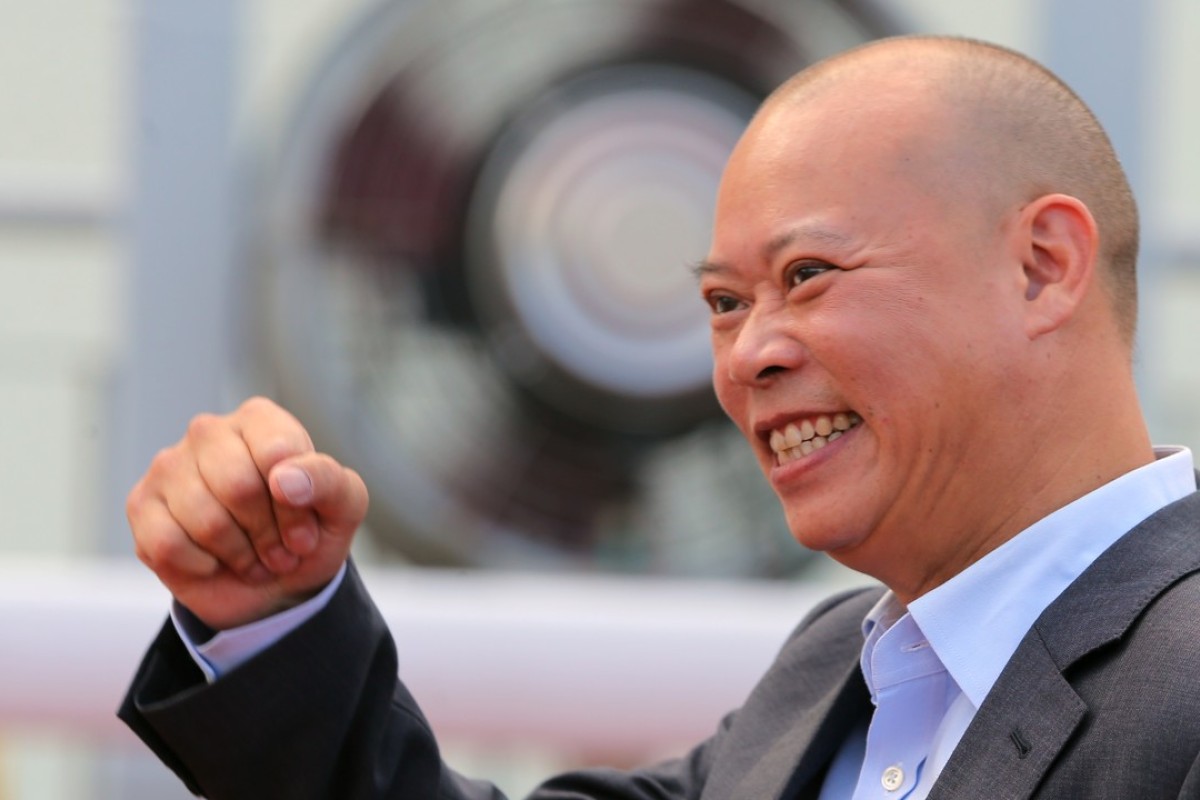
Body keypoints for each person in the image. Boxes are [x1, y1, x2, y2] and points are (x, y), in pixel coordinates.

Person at [119, 34, 1200, 799]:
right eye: (724, 303)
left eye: (809, 273)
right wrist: (272, 614)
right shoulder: (835, 674)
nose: (748, 354)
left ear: (1042, 265)